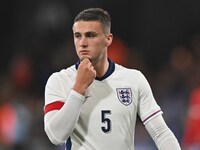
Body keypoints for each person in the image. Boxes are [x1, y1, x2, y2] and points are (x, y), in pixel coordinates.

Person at [44, 8, 181, 150]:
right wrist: (79, 89)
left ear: (108, 39)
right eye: (78, 36)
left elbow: (161, 133)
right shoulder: (60, 80)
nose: (82, 43)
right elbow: (56, 136)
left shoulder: (134, 79)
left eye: (90, 35)